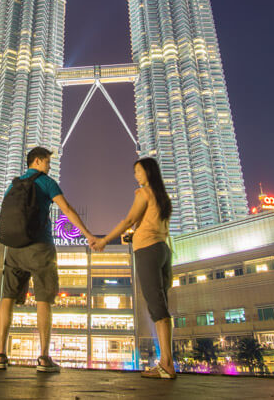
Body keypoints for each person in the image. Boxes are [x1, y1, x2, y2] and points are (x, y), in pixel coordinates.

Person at [0, 146, 96, 373]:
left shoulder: (14, 183)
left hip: (13, 248)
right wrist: (87, 235)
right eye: (48, 161)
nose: (50, 166)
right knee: (43, 299)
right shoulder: (46, 182)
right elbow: (66, 209)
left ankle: (0, 354)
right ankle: (43, 357)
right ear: (38, 161)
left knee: (7, 297)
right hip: (40, 246)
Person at [91, 157, 176, 379]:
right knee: (162, 305)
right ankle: (167, 362)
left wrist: (104, 240)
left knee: (157, 308)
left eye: (138, 171)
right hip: (163, 250)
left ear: (149, 172)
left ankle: (166, 364)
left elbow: (129, 219)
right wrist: (135, 234)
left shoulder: (144, 193)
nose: (135, 175)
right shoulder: (163, 197)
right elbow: (152, 225)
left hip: (147, 250)